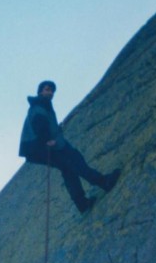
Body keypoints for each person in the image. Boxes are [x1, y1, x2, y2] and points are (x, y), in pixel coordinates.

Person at [19, 80, 120, 214]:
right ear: (40, 91)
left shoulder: (41, 105)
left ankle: (82, 204)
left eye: (52, 91)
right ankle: (103, 182)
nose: (50, 93)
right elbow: (39, 122)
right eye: (47, 89)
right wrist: (47, 140)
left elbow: (42, 123)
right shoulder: (39, 104)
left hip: (37, 150)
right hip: (47, 146)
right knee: (76, 161)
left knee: (68, 170)